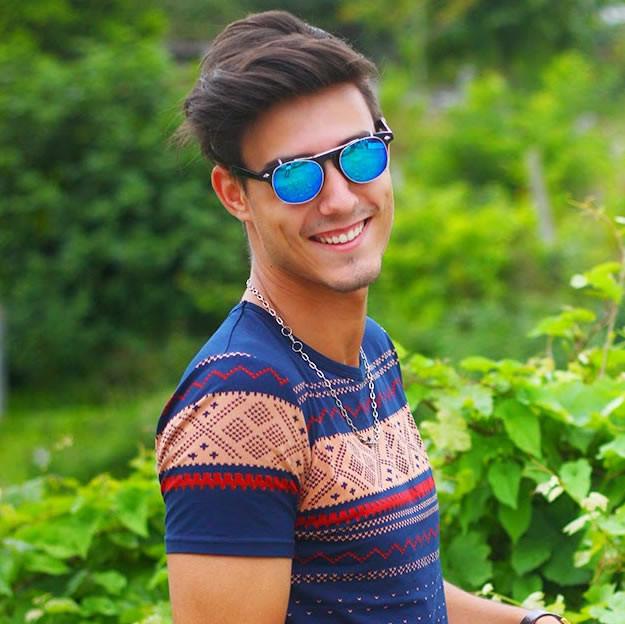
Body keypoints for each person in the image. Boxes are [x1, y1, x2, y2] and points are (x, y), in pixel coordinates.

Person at [155, 10, 567, 624]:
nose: (341, 198)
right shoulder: (239, 400)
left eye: (360, 155)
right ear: (234, 193)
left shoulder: (370, 350)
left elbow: (390, 593)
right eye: (295, 176)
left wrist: (530, 622)